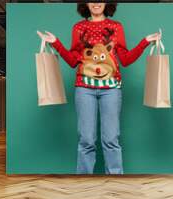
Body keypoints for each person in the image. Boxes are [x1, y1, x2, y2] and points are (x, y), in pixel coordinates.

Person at [37, 3, 161, 174]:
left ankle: (115, 183)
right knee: (86, 139)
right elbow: (73, 61)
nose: (96, 3)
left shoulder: (116, 27)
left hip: (111, 89)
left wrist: (145, 42)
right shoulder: (79, 28)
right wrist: (56, 43)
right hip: (84, 88)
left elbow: (125, 59)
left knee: (111, 139)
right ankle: (84, 184)